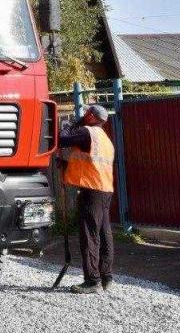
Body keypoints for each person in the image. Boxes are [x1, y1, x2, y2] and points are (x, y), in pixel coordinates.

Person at [60, 104, 115, 294]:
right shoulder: (104, 138)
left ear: (91, 116)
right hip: (104, 189)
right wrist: (66, 164)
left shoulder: (87, 132)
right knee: (104, 233)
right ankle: (106, 276)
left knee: (89, 234)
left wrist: (67, 126)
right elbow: (89, 161)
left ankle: (92, 281)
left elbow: (62, 140)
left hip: (91, 190)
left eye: (86, 113)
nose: (83, 116)